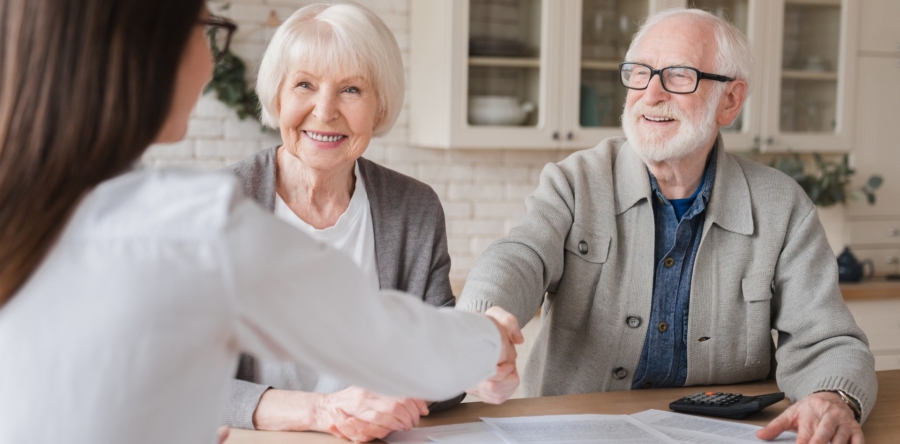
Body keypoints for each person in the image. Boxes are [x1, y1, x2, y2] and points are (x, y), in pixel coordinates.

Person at [0, 1, 523, 443]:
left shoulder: (34, 208)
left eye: (351, 90)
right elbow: (374, 332)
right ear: (147, 53)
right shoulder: (196, 226)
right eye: (205, 31)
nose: (209, 63)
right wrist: (488, 340)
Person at [458, 8, 875, 444]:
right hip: (580, 430)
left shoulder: (782, 204)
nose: (651, 93)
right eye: (639, 73)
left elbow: (828, 339)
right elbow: (519, 255)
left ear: (730, 101)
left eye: (679, 76)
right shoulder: (576, 181)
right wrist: (480, 322)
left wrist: (832, 396)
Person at [220, 4, 498, 441]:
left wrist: (470, 357)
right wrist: (324, 411)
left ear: (380, 105)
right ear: (278, 95)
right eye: (305, 84)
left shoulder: (414, 208)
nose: (325, 111)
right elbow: (175, 378)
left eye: (351, 89)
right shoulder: (218, 207)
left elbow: (443, 373)